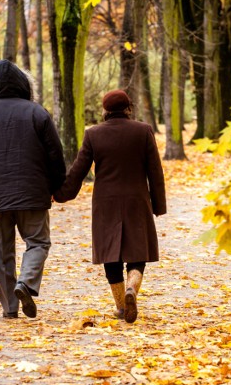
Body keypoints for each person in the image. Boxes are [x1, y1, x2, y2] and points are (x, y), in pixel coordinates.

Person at [0, 59, 66, 319]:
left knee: (3, 254)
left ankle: (9, 309)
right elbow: (56, 156)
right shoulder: (37, 113)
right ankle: (26, 283)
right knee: (38, 242)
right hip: (34, 195)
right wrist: (57, 188)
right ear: (22, 84)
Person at [54, 90, 166, 323]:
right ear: (128, 108)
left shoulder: (93, 134)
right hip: (137, 199)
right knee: (137, 253)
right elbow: (155, 171)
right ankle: (132, 291)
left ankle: (122, 308)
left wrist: (61, 194)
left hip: (106, 203)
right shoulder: (143, 131)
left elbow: (78, 171)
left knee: (111, 255)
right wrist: (158, 204)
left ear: (104, 110)